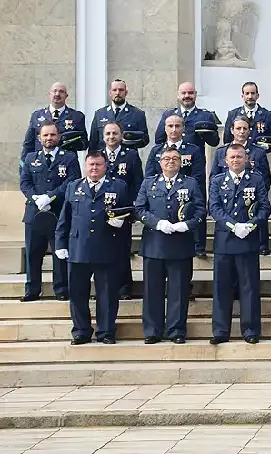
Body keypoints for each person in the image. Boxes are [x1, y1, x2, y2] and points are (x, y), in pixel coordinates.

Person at [55, 151, 130, 344]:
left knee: (107, 294)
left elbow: (129, 214)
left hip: (107, 249)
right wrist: (60, 244)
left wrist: (122, 223)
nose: (94, 168)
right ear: (85, 166)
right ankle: (81, 330)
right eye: (91, 165)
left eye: (98, 164)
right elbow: (65, 219)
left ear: (105, 166)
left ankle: (106, 332)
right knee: (78, 293)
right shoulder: (74, 187)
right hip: (78, 248)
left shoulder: (119, 187)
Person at [134, 147, 206, 344]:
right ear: (160, 162)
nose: (170, 161)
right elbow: (139, 208)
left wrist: (188, 225)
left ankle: (176, 330)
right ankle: (152, 331)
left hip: (180, 245)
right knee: (152, 291)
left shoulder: (190, 183)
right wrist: (157, 223)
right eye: (166, 158)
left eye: (175, 158)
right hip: (154, 245)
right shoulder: (149, 183)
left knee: (179, 291)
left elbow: (200, 210)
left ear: (181, 162)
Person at [208, 144, 271, 345]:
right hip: (225, 242)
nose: (236, 160)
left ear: (246, 159)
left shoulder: (256, 179)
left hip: (248, 241)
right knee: (221, 288)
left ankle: (251, 329)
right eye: (232, 157)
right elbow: (215, 208)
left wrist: (251, 225)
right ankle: (220, 330)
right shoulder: (218, 181)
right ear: (225, 160)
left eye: (239, 156)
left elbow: (264, 208)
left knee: (249, 287)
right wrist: (233, 225)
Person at [19, 122, 79, 301]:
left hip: (58, 213)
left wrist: (50, 197)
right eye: (45, 135)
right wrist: (35, 198)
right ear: (39, 138)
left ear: (59, 137)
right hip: (34, 213)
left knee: (59, 251)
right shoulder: (30, 158)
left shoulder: (69, 158)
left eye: (52, 135)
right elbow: (24, 183)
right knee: (33, 252)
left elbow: (71, 181)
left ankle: (61, 289)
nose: (49, 138)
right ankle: (32, 289)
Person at [146, 114, 209, 259]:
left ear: (184, 128)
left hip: (185, 197)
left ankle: (198, 246)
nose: (174, 129)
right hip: (161, 197)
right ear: (165, 128)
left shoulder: (193, 150)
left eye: (177, 126)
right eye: (170, 126)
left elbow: (198, 176)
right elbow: (149, 176)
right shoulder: (156, 151)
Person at [211, 116, 271, 256]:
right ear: (232, 130)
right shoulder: (221, 152)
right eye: (238, 128)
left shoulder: (258, 152)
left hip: (249, 207)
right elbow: (214, 176)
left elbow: (265, 179)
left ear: (250, 130)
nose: (241, 131)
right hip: (227, 210)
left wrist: (252, 199)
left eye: (245, 128)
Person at [101, 122, 143, 300]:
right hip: (101, 210)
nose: (111, 137)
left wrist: (133, 208)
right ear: (103, 136)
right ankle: (104, 289)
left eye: (115, 133)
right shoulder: (97, 155)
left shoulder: (131, 155)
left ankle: (125, 288)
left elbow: (138, 182)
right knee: (102, 252)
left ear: (121, 135)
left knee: (123, 251)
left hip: (123, 210)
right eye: (108, 133)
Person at [22, 82, 87, 160]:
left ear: (66, 96)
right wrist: (24, 166)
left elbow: (84, 144)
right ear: (49, 94)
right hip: (41, 163)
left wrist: (70, 143)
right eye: (54, 91)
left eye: (61, 92)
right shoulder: (37, 116)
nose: (57, 94)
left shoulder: (77, 117)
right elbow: (28, 144)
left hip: (66, 162)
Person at [153, 82, 221, 152]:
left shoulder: (205, 116)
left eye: (190, 93)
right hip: (172, 159)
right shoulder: (168, 114)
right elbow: (159, 140)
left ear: (195, 94)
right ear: (178, 95)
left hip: (195, 160)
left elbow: (214, 142)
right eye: (183, 93)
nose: (187, 96)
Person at [88, 79, 150, 151]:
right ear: (110, 93)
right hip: (104, 159)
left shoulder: (137, 114)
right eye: (114, 90)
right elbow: (93, 142)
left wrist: (128, 142)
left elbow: (145, 139)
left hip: (128, 158)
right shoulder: (100, 114)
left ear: (126, 93)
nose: (117, 93)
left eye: (121, 90)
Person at [223, 81, 271, 151]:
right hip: (238, 156)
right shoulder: (233, 114)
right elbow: (227, 140)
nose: (250, 96)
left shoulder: (268, 116)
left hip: (259, 157)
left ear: (257, 95)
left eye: (253, 93)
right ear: (242, 96)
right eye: (247, 93)